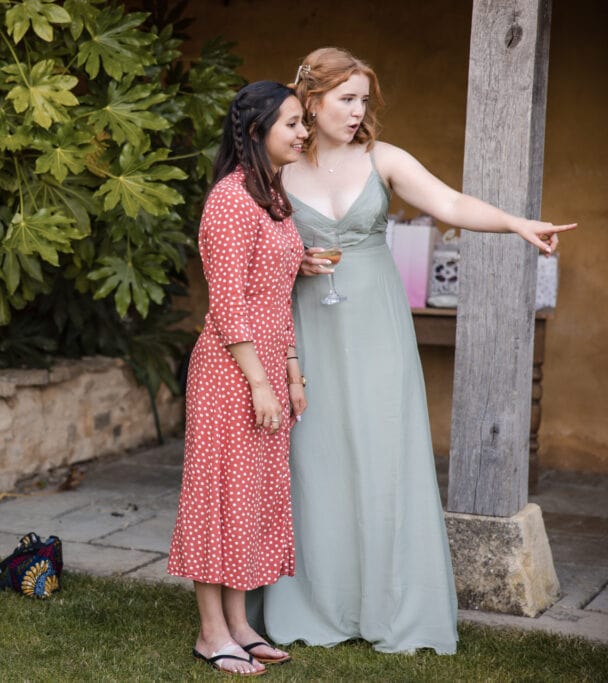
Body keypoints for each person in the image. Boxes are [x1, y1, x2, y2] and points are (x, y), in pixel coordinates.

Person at [247, 47, 576, 655]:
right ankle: (314, 604)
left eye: (363, 100)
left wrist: (517, 224)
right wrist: (295, 259)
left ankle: (390, 605)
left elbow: (449, 203)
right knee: (313, 457)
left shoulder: (383, 159)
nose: (358, 111)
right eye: (346, 99)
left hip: (376, 324)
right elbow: (249, 247)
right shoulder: (280, 166)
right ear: (311, 101)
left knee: (383, 451)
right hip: (306, 329)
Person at [167, 81, 309, 676]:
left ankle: (240, 624)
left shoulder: (272, 197)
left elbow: (278, 297)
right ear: (257, 132)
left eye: (303, 123)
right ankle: (209, 633)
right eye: (293, 124)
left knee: (250, 500)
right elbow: (228, 303)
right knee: (218, 498)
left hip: (268, 366)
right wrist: (258, 380)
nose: (304, 133)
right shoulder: (229, 200)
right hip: (231, 371)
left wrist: (292, 372)